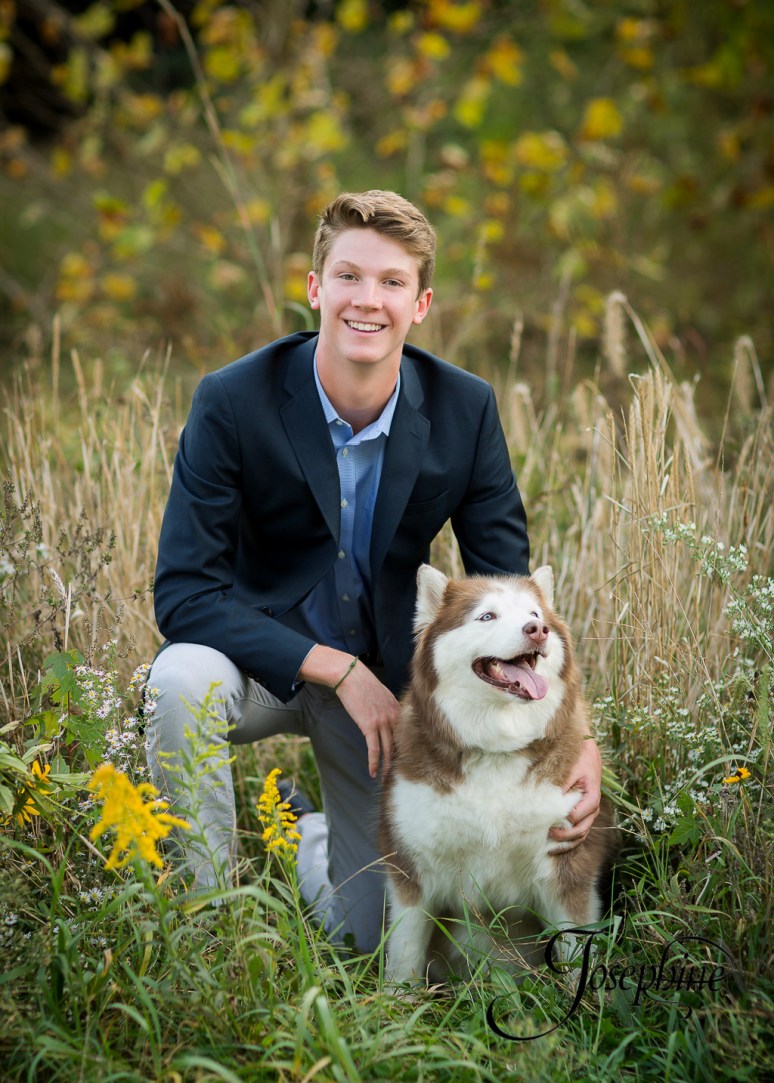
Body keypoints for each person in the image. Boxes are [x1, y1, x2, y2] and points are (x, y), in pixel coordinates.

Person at [146, 189, 602, 952]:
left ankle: (306, 835)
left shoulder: (465, 408)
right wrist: (336, 669)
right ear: (315, 287)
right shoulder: (232, 400)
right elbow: (184, 594)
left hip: (387, 696)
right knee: (177, 679)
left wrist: (576, 736)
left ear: (420, 303)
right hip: (256, 664)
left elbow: (514, 602)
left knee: (373, 939)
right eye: (350, 277)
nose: (368, 300)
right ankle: (207, 929)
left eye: (391, 283)